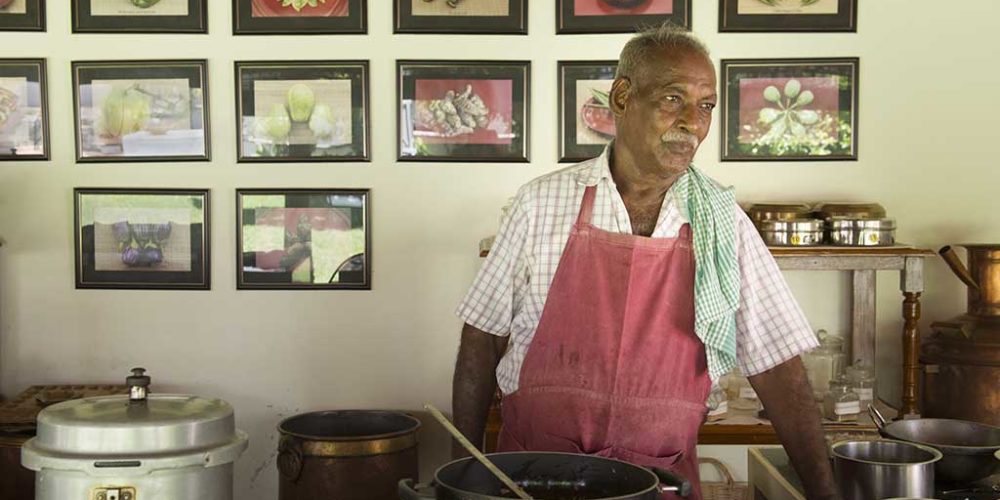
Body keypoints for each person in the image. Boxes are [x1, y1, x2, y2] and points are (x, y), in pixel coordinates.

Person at [452, 25, 840, 500]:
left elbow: (779, 366)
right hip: (536, 478)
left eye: (706, 106)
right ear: (622, 97)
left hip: (661, 484)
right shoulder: (541, 204)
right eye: (674, 98)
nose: (693, 122)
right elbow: (482, 337)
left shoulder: (721, 220)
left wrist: (825, 493)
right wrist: (465, 472)